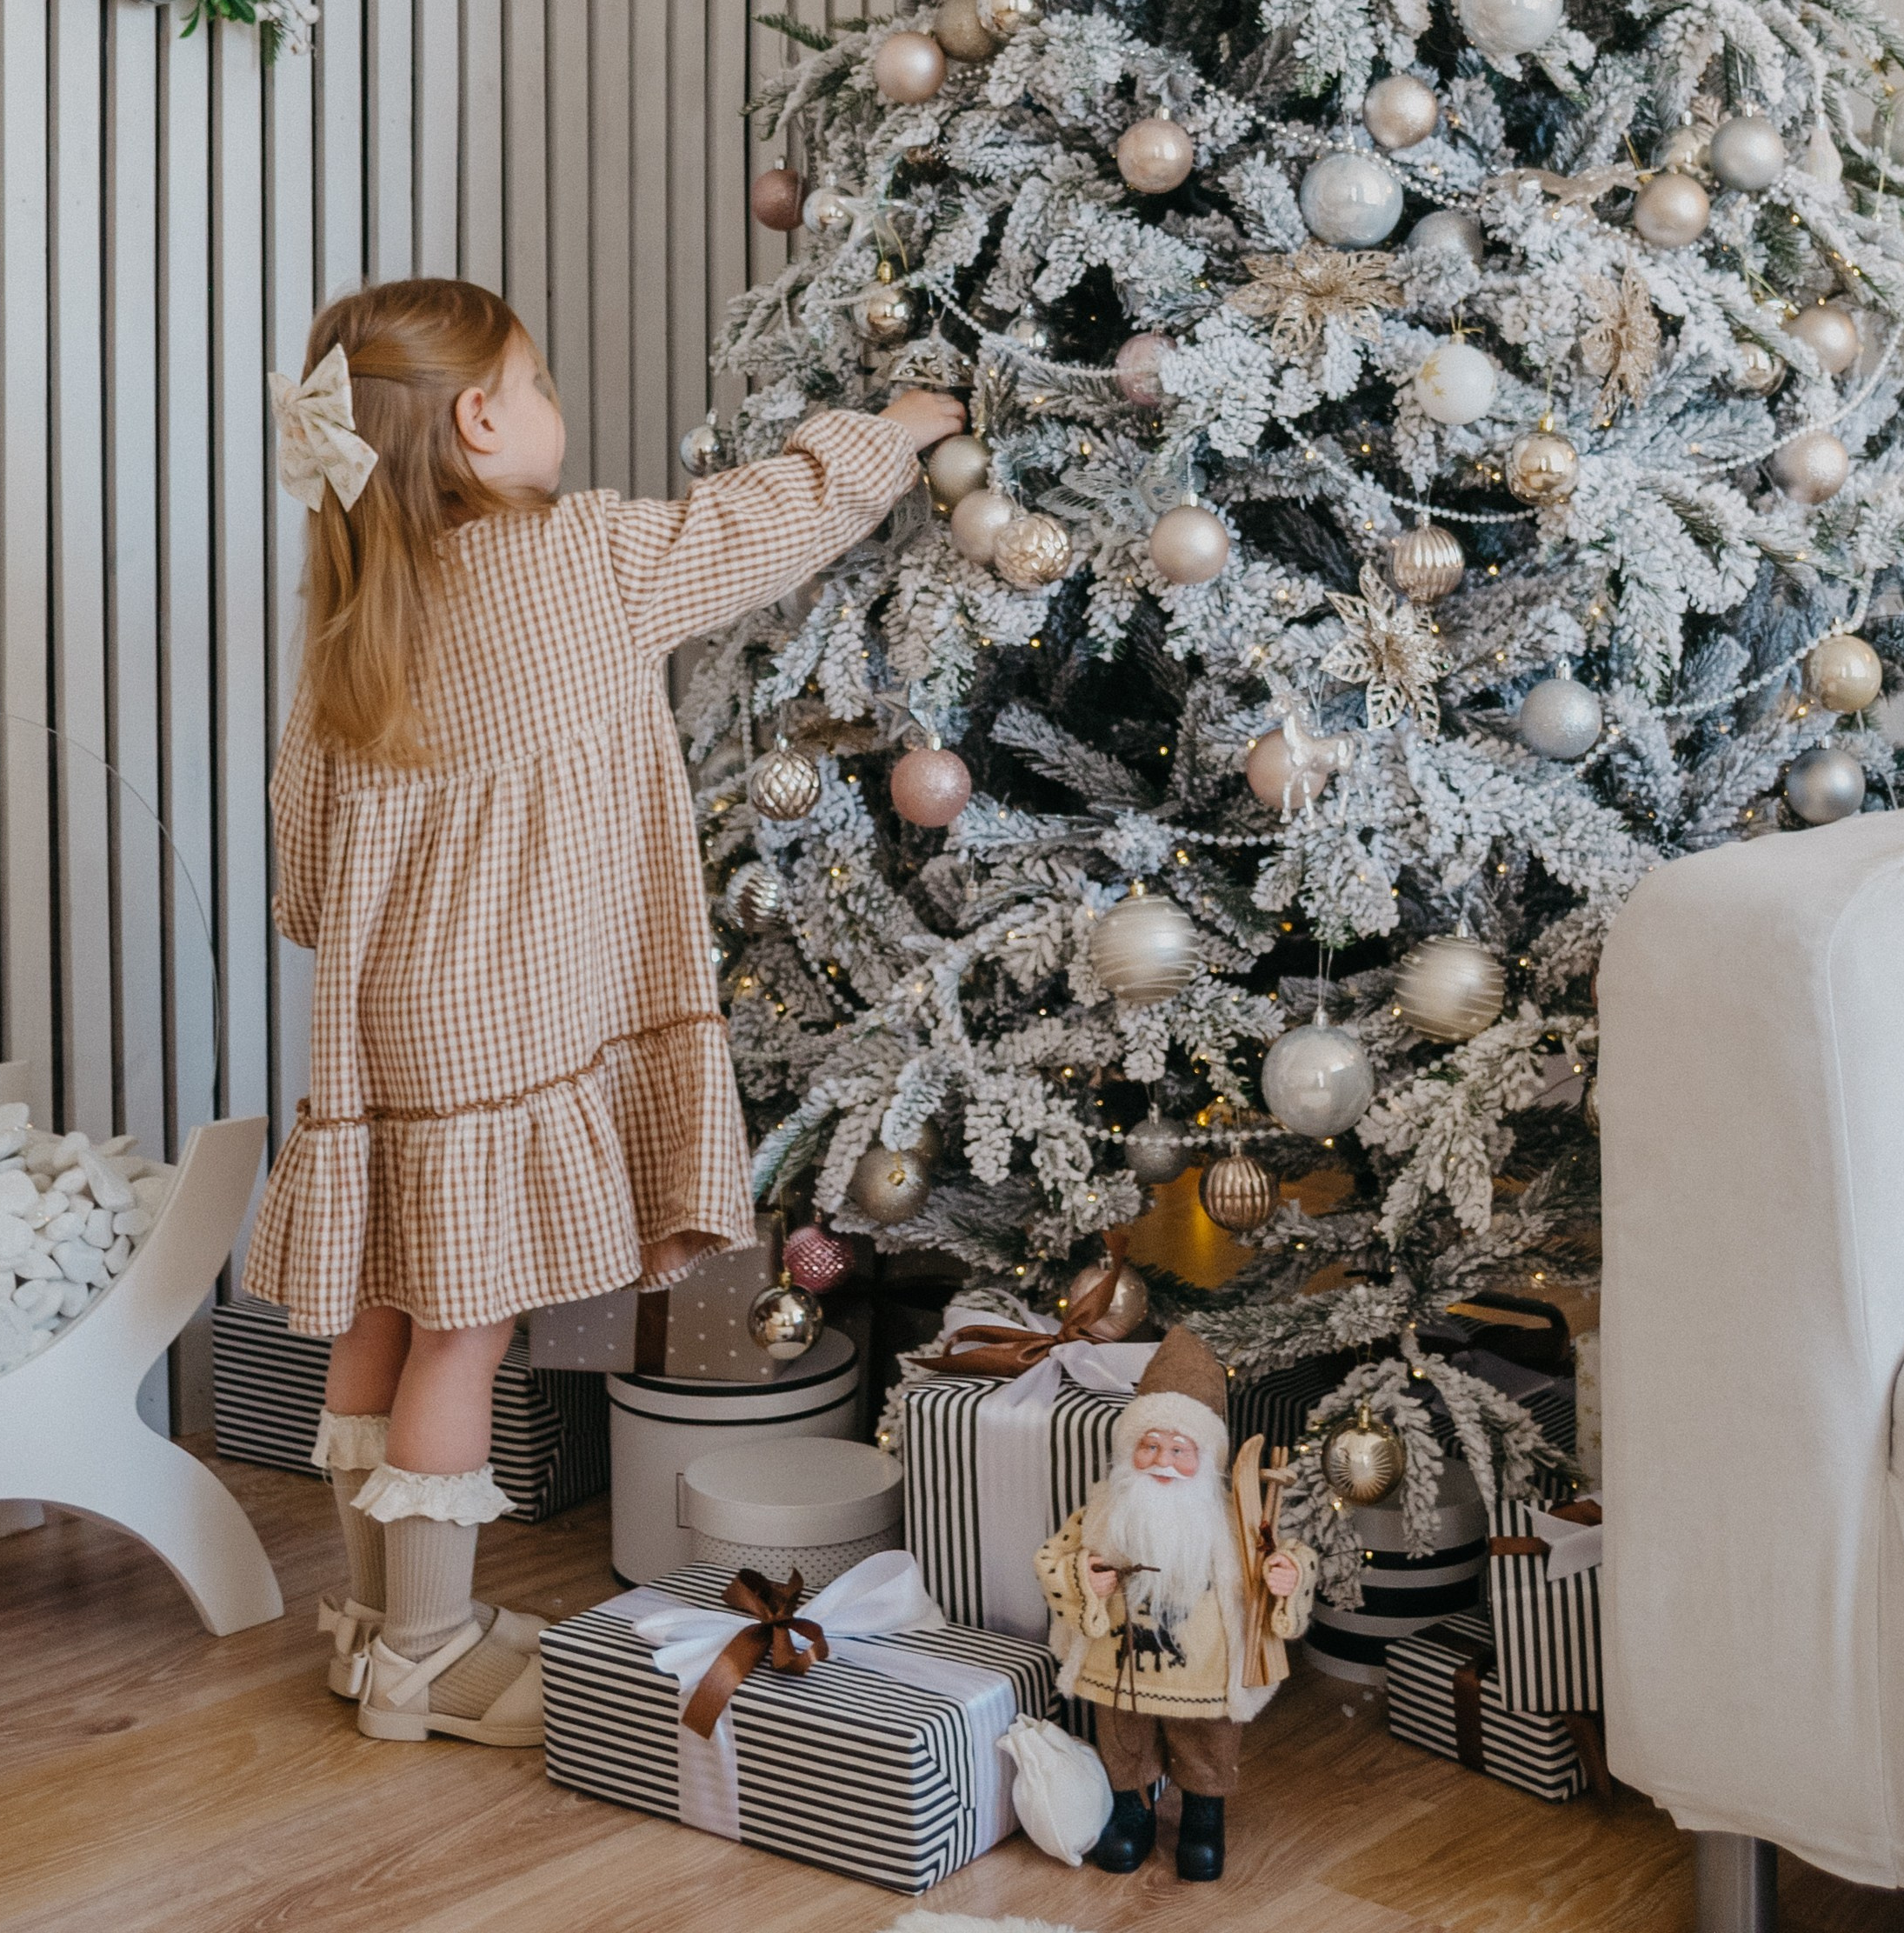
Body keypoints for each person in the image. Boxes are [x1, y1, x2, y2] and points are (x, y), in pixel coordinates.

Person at [243, 276, 959, 1745]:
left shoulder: (353, 619)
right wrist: (893, 428)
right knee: (464, 1332)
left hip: (380, 1028)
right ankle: (428, 1655)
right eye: (542, 384)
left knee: (384, 1303)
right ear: (480, 419)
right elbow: (760, 521)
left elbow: (303, 877)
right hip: (499, 1026)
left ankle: (376, 1626)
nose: (555, 410)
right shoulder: (583, 560)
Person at [1035, 1324, 1300, 1880]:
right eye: (1150, 1445)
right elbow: (1054, 1557)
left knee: (1208, 1742)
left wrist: (1286, 1573)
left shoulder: (1233, 1518)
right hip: (1119, 1664)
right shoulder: (1104, 1509)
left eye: (1179, 1450)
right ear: (1129, 1449)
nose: (1161, 1461)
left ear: (1205, 1457)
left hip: (1205, 1671)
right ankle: (1132, 1812)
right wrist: (1084, 1578)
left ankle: (1204, 1817)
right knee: (1122, 1738)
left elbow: (1284, 1554)